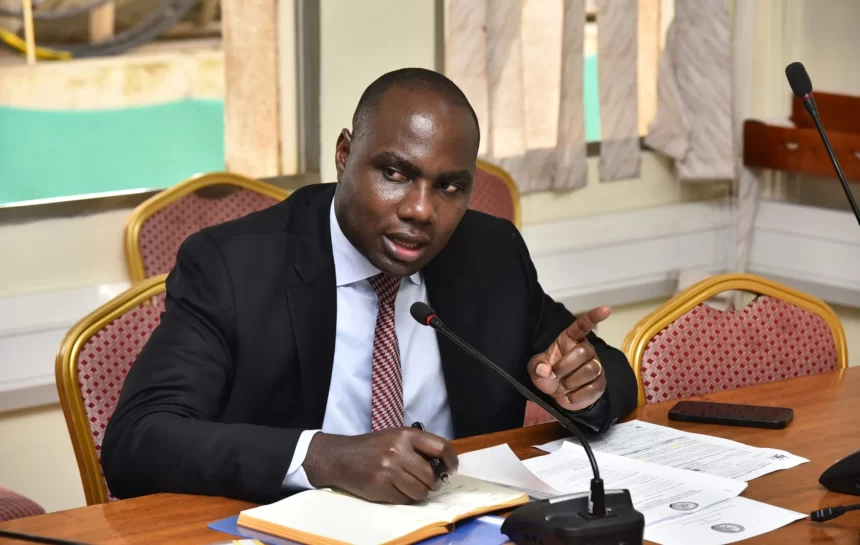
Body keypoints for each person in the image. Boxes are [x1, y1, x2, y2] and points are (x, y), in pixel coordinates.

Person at [102, 68, 638, 506]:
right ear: (344, 155)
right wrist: (326, 458)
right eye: (396, 174)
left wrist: (585, 388)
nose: (421, 210)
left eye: (450, 186)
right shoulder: (234, 266)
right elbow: (137, 441)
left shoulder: (489, 252)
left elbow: (603, 371)